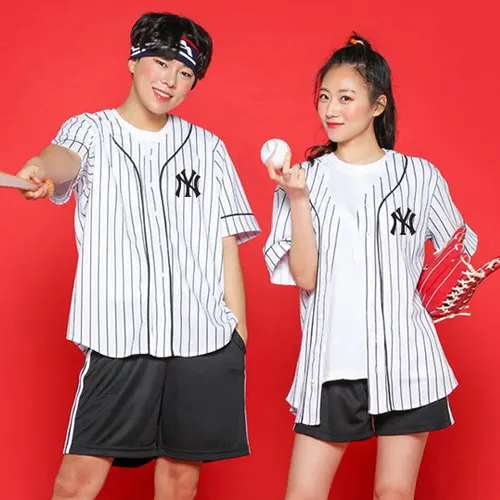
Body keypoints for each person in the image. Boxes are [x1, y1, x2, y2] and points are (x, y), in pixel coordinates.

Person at [17, 12, 260, 500]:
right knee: (77, 481)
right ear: (133, 61)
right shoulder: (90, 130)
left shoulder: (208, 148)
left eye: (185, 72)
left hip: (203, 338)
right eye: (160, 62)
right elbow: (63, 158)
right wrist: (41, 166)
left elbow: (226, 242)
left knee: (181, 478)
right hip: (119, 338)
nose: (170, 80)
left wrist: (238, 332)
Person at [263, 33, 477, 500]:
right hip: (331, 362)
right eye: (324, 97)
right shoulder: (303, 179)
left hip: (407, 358)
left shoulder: (420, 176)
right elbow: (306, 277)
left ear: (378, 105)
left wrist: (449, 287)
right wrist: (296, 199)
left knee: (393, 493)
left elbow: (459, 250)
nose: (331, 109)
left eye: (345, 97)